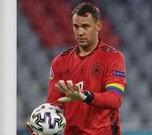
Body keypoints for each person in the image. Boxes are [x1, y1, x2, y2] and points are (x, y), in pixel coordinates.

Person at [46, 3, 126, 135]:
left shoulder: (113, 57)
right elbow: (54, 105)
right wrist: (41, 123)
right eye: (76, 27)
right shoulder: (60, 61)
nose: (80, 32)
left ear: (98, 26)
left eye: (85, 26)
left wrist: (85, 96)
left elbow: (115, 99)